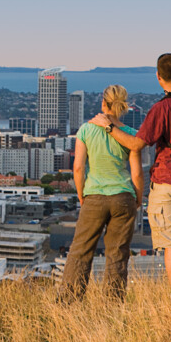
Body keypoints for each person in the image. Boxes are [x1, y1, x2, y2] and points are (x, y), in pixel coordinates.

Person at [92, 53, 171, 303]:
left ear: (159, 78)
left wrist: (108, 127)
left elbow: (136, 144)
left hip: (166, 184)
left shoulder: (161, 109)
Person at [59, 84, 144, 301]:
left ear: (103, 104)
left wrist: (81, 194)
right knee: (117, 255)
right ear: (123, 107)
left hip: (94, 196)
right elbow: (136, 175)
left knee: (80, 251)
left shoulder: (86, 130)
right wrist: (138, 198)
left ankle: (69, 302)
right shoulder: (131, 135)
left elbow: (78, 168)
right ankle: (113, 305)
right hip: (124, 197)